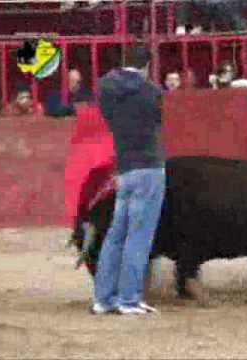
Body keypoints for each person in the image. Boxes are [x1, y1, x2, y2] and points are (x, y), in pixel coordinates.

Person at [93, 45, 165, 315]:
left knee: (115, 236)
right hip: (149, 168)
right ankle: (129, 299)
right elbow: (156, 121)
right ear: (147, 65)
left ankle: (103, 299)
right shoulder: (152, 92)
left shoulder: (107, 90)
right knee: (138, 236)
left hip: (124, 169)